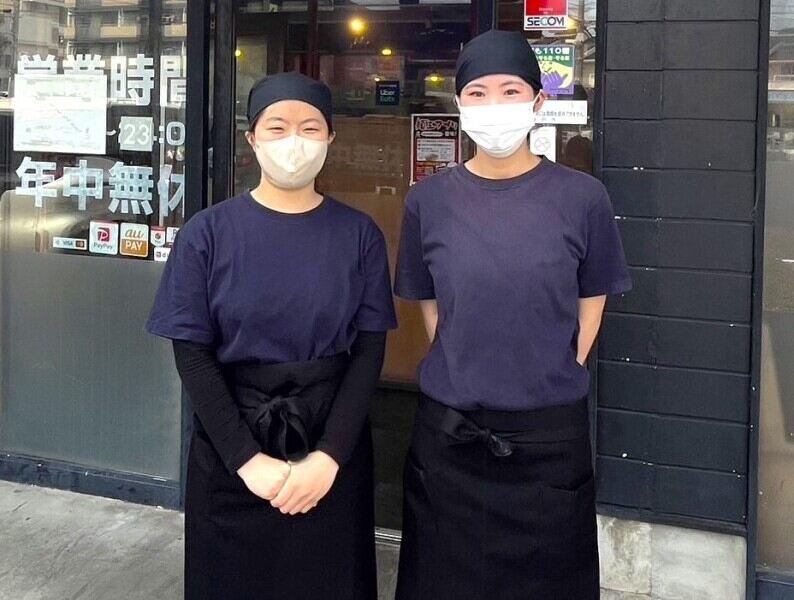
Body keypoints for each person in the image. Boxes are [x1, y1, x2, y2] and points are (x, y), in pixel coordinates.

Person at [393, 30, 633, 600]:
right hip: (450, 437)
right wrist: (465, 362)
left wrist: (554, 364)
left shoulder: (582, 197)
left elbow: (593, 296)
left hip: (548, 441)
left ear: (537, 103)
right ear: (458, 105)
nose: (493, 105)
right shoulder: (428, 201)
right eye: (477, 93)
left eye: (510, 90)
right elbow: (430, 303)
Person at [146, 71, 397, 599]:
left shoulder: (359, 235)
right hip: (230, 450)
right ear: (252, 138)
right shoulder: (206, 234)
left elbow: (370, 348)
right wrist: (246, 459)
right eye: (277, 127)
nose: (294, 142)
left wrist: (329, 457)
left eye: (310, 128)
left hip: (330, 452)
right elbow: (191, 355)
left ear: (330, 138)